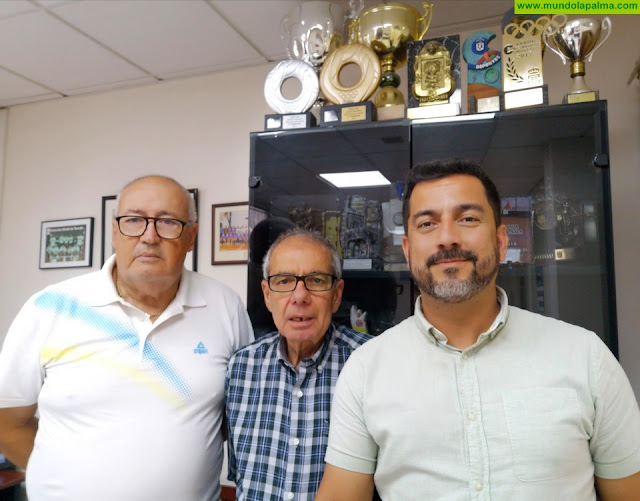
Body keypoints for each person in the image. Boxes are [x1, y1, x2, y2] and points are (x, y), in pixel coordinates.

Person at [316, 159, 640, 500]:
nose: (447, 238)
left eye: (468, 219)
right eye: (427, 223)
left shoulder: (585, 356)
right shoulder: (366, 370)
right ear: (408, 252)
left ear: (501, 242)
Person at [0, 175, 253, 501]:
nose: (149, 236)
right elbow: (8, 423)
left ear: (191, 237)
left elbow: (237, 416)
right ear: (114, 233)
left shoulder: (225, 306)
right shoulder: (50, 307)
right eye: (134, 220)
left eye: (167, 222)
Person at [225, 228, 371, 500]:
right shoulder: (242, 368)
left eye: (316, 280)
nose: (300, 296)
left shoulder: (370, 364)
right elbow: (240, 475)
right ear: (267, 295)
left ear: (337, 295)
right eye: (283, 281)